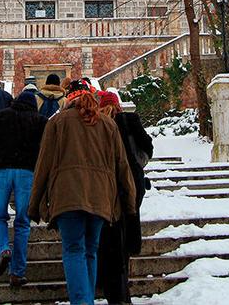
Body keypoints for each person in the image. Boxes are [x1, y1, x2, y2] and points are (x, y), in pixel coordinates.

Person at [28, 80, 137, 305]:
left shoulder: (57, 122)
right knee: (90, 250)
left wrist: (34, 204)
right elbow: (122, 167)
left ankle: (82, 302)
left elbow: (43, 166)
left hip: (67, 197)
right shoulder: (108, 124)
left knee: (74, 249)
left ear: (68, 100)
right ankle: (85, 300)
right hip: (100, 199)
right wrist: (129, 204)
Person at [0, 91, 47, 288]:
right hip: (27, 173)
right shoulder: (40, 121)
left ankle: (3, 250)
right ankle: (17, 273)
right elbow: (48, 147)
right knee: (23, 222)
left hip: (1, 171)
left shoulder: (0, 117)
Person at [95, 90, 154, 304]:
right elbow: (148, 147)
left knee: (110, 238)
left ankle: (113, 287)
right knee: (125, 235)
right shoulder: (129, 120)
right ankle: (121, 288)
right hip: (132, 184)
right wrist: (139, 163)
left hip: (108, 185)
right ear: (118, 105)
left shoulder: (98, 122)